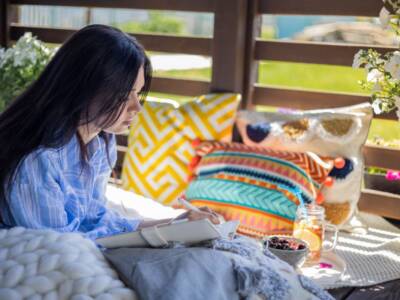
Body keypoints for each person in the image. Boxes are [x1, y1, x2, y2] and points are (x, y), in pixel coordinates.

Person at [0, 24, 220, 240]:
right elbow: (61, 247)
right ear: (83, 89)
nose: (137, 107)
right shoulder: (38, 162)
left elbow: (96, 220)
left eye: (138, 93)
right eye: (125, 95)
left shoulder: (101, 141)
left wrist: (175, 223)